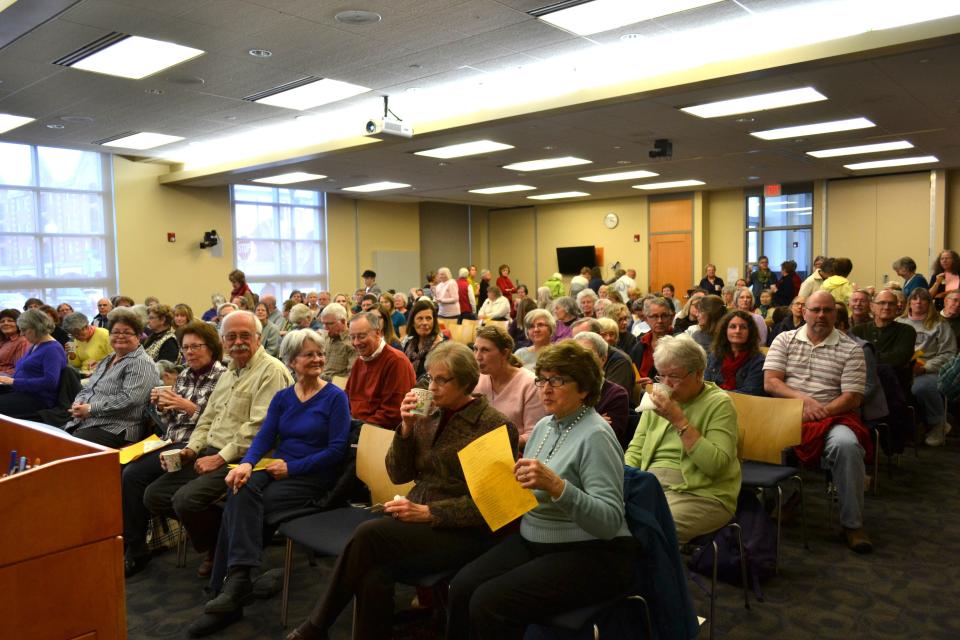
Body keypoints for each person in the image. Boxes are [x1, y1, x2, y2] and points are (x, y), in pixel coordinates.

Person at [288, 342, 518, 640]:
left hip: (464, 530)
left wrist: (428, 513)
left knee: (369, 534)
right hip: (416, 517)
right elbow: (399, 474)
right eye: (429, 378)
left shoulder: (492, 426)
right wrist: (406, 429)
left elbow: (492, 505)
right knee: (371, 571)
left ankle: (315, 627)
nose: (431, 387)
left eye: (441, 380)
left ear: (465, 382)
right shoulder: (430, 415)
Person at [446, 340, 634, 640]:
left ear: (584, 388)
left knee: (489, 602)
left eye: (557, 380)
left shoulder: (597, 435)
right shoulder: (546, 426)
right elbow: (532, 493)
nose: (545, 388)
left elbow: (609, 521)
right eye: (542, 379)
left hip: (591, 552)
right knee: (461, 586)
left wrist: (558, 487)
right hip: (536, 537)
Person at [189, 330, 350, 636]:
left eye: (320, 354)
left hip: (313, 475)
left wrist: (293, 467)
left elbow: (336, 450)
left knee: (245, 506)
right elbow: (264, 435)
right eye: (308, 354)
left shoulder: (334, 397)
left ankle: (228, 589)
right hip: (277, 467)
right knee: (238, 484)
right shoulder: (284, 397)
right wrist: (247, 463)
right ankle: (237, 583)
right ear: (292, 361)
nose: (316, 359)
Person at [143, 311, 293, 577]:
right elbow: (207, 418)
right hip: (212, 450)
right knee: (154, 495)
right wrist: (192, 449)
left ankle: (219, 549)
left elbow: (259, 427)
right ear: (223, 341)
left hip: (247, 458)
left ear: (259, 338)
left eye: (245, 336)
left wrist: (220, 458)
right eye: (231, 337)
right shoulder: (230, 371)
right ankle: (221, 539)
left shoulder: (272, 371)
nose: (238, 342)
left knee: (186, 501)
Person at [764, 291, 873, 553]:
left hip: (833, 416)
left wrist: (820, 411)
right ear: (804, 312)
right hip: (787, 413)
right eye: (816, 310)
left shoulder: (851, 349)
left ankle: (852, 524)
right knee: (758, 439)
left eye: (827, 310)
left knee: (847, 447)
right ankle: (784, 500)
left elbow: (853, 397)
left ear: (835, 314)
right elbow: (771, 382)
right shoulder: (784, 340)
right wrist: (803, 401)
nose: (821, 315)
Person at [121, 321, 227, 577]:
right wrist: (163, 408)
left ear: (212, 348)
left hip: (199, 445)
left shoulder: (224, 377)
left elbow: (221, 420)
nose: (190, 352)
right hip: (170, 441)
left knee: (135, 478)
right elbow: (170, 423)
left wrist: (187, 406)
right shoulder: (184, 376)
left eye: (196, 347)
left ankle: (138, 547)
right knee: (125, 467)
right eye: (186, 347)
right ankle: (135, 543)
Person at [625, 334, 741, 542]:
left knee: (647, 531)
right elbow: (636, 449)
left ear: (698, 373)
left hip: (702, 493)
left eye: (675, 377)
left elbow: (716, 466)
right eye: (661, 376)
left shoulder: (719, 404)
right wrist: (623, 482)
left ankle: (663, 575)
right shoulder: (657, 397)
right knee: (606, 520)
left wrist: (678, 419)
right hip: (650, 484)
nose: (667, 385)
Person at [64, 308, 161, 448]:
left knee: (69, 447)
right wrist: (78, 403)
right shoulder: (109, 358)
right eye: (115, 332)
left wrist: (91, 408)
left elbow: (129, 399)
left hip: (117, 428)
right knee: (49, 440)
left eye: (127, 332)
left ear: (138, 336)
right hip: (89, 422)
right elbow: (89, 388)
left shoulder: (140, 362)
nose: (120, 336)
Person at [896, 288, 956, 446]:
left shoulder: (940, 325)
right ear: (909, 302)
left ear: (929, 303)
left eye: (923, 299)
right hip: (902, 367)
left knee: (920, 388)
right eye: (914, 299)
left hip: (929, 369)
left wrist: (926, 367)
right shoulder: (899, 323)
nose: (918, 302)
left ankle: (938, 424)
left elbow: (949, 353)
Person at [473, 324, 546, 450]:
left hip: (515, 455)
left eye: (485, 350)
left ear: (505, 353)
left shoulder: (530, 384)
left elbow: (534, 435)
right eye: (475, 349)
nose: (477, 357)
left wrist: (500, 444)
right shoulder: (477, 379)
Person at [347, 311, 417, 429]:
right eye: (352, 337)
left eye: (361, 336)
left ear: (378, 333)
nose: (356, 342)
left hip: (377, 432)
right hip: (355, 425)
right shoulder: (360, 360)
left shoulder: (396, 361)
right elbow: (347, 397)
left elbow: (392, 414)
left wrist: (358, 428)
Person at [0, 309, 68, 418]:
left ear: (36, 328)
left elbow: (50, 382)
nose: (21, 333)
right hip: (24, 392)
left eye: (24, 330)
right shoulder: (36, 345)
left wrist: (13, 381)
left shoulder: (52, 349)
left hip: (38, 398)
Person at [573, 331, 631, 448]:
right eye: (575, 355)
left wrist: (573, 423)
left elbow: (603, 439)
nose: (580, 361)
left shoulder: (616, 395)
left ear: (603, 359)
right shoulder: (565, 388)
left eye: (587, 355)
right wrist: (594, 422)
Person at [571, 318, 636, 399]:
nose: (577, 342)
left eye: (583, 337)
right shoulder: (576, 359)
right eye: (575, 338)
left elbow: (612, 398)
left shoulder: (620, 361)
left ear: (599, 336)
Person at [705, 310, 766, 396]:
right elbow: (705, 385)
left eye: (743, 327)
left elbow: (750, 393)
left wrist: (717, 395)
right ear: (725, 331)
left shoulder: (758, 361)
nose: (737, 331)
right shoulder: (714, 356)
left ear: (750, 332)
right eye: (733, 327)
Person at [632, 297, 677, 389]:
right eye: (655, 316)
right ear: (646, 319)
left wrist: (653, 386)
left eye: (664, 316)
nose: (660, 321)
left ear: (671, 317)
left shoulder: (679, 343)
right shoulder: (640, 345)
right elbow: (634, 375)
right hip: (642, 396)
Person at [401, 299, 445, 381]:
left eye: (428, 318)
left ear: (434, 321)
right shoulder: (408, 345)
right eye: (420, 318)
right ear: (413, 323)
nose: (425, 323)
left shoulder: (441, 347)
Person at [317, 303, 355, 381]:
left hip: (336, 387)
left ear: (343, 321)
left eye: (329, 324)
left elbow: (351, 378)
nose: (325, 328)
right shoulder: (326, 338)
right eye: (323, 324)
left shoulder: (352, 343)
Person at [0, 309, 29, 375]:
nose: (5, 323)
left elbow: (21, 369)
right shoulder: (3, 340)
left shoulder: (22, 341)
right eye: (2, 321)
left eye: (10, 321)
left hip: (7, 380)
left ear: (19, 324)